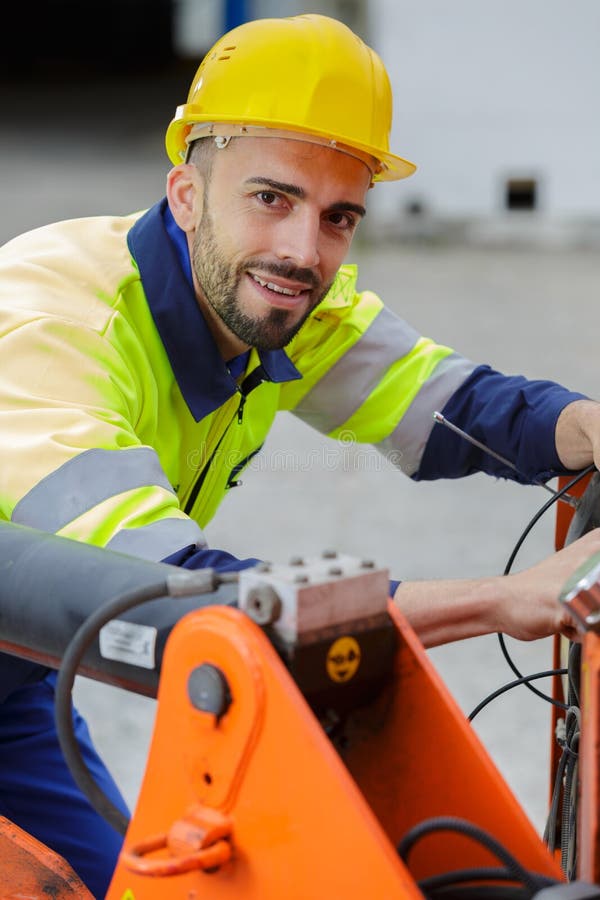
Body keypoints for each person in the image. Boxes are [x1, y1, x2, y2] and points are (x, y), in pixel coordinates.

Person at [0, 12, 599, 897]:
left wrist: (589, 424)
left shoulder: (270, 298)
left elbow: (457, 408)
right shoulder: (56, 328)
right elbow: (172, 607)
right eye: (271, 198)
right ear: (186, 194)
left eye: (339, 217)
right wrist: (500, 601)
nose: (302, 251)